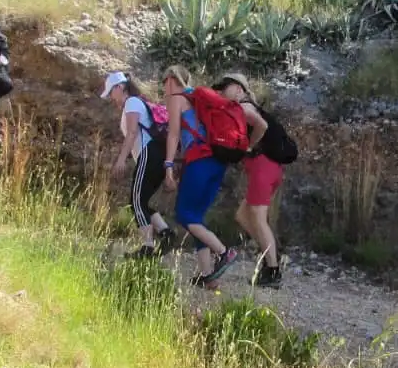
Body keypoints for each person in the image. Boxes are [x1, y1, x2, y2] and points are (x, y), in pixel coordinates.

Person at [161, 65, 263, 286]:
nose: (163, 87)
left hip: (200, 162)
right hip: (217, 162)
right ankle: (208, 276)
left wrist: (168, 166)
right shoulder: (201, 101)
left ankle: (224, 252)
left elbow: (174, 135)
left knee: (184, 215)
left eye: (164, 82)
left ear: (171, 79)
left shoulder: (176, 99)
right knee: (196, 217)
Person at [214, 73, 284, 287]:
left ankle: (272, 271)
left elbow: (261, 126)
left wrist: (248, 146)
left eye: (224, 88)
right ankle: (270, 253)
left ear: (238, 88)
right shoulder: (244, 108)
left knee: (257, 218)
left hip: (263, 167)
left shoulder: (244, 107)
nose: (221, 92)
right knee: (243, 216)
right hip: (267, 169)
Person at [101, 71, 172, 259]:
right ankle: (166, 234)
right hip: (155, 154)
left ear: (120, 87)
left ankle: (148, 246)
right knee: (141, 200)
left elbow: (132, 133)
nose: (110, 96)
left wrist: (121, 159)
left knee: (136, 200)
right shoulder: (136, 102)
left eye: (110, 92)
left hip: (148, 153)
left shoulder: (131, 102)